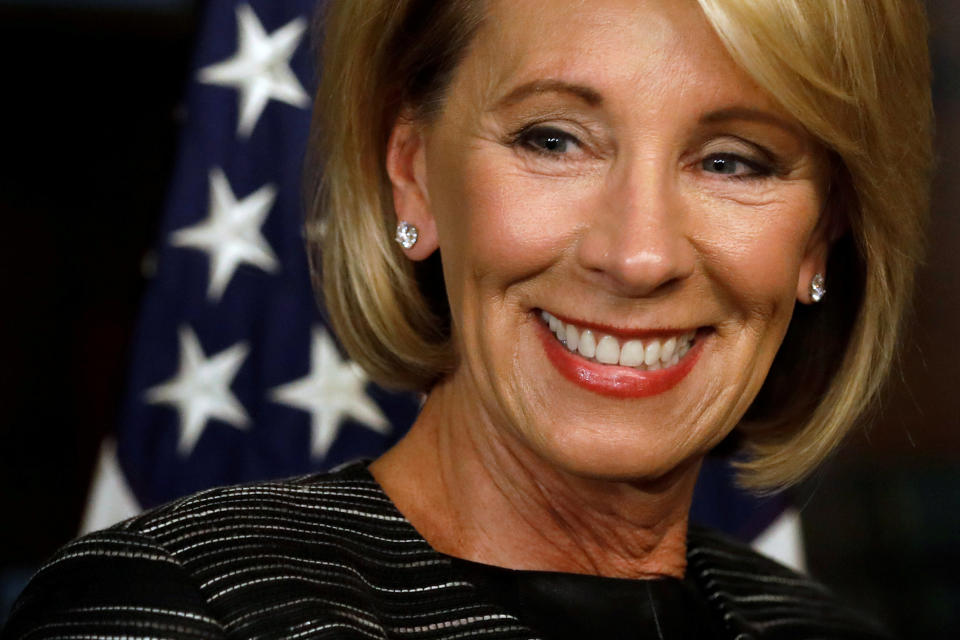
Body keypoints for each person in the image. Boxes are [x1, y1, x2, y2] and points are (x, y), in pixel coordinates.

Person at [3, 0, 931, 638]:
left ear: (821, 239)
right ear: (412, 169)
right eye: (553, 139)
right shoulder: (173, 611)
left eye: (734, 162)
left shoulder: (822, 628)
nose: (639, 254)